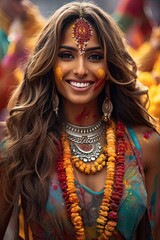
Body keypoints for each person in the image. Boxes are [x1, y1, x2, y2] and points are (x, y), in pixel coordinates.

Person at [0, 1, 160, 239]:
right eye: (67, 55)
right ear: (49, 62)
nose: (81, 69)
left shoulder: (146, 145)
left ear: (110, 64)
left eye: (95, 56)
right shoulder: (21, 146)